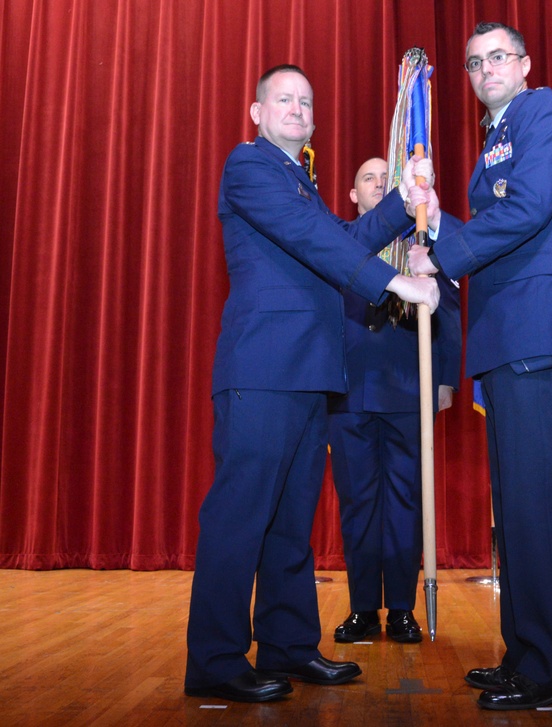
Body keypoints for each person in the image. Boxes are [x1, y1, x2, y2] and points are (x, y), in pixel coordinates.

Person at [185, 64, 440, 703]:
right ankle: (216, 661)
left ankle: (289, 644)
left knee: (291, 521)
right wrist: (395, 282)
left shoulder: (301, 183)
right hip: (263, 371)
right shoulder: (249, 168)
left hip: (309, 375)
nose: (297, 110)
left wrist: (403, 206)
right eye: (284, 100)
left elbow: (341, 238)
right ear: (256, 111)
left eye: (306, 102)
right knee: (239, 518)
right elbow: (311, 240)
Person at [408, 22, 552, 711]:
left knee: (537, 508)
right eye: (473, 63)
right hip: (507, 336)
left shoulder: (543, 112)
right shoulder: (496, 137)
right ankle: (525, 653)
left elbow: (528, 210)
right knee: (516, 511)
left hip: (537, 330)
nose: (484, 69)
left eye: (497, 57)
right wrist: (435, 223)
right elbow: (494, 232)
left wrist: (443, 254)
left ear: (522, 64)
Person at [328, 157, 462, 644]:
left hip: (409, 387)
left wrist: (445, 378)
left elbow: (448, 308)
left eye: (388, 180)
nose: (380, 186)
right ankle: (364, 607)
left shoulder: (422, 245)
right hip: (349, 393)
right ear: (352, 193)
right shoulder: (336, 238)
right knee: (358, 504)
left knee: (407, 501)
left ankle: (402, 608)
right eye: (369, 179)